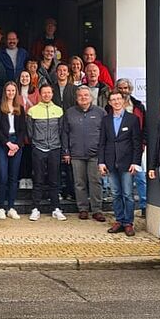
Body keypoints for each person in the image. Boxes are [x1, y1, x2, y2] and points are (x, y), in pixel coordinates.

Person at [99, 90, 143, 237]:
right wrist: (101, 162)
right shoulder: (105, 120)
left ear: (123, 101)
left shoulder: (132, 119)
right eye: (113, 100)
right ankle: (119, 220)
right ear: (110, 103)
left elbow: (137, 143)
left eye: (119, 99)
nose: (116, 102)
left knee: (128, 195)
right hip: (111, 162)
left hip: (127, 163)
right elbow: (102, 143)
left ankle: (128, 223)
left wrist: (135, 162)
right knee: (116, 194)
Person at [61, 85, 107, 223]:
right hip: (76, 154)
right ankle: (83, 209)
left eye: (86, 95)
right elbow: (65, 133)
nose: (83, 98)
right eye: (80, 95)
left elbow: (105, 135)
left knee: (96, 182)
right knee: (79, 183)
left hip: (95, 154)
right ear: (76, 98)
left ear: (91, 97)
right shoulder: (69, 113)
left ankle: (97, 210)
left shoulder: (101, 112)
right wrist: (66, 152)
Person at [27, 84, 67, 222]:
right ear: (40, 94)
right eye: (44, 93)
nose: (46, 95)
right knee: (38, 180)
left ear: (52, 94)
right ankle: (35, 208)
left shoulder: (59, 110)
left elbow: (62, 130)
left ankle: (56, 208)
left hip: (55, 148)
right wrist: (36, 142)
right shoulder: (33, 111)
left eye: (49, 93)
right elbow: (30, 131)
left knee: (54, 180)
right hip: (39, 148)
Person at [0, 81, 27, 220]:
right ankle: (1, 207)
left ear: (16, 92)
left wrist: (16, 145)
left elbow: (23, 129)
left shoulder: (20, 108)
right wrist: (7, 144)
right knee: (2, 176)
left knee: (13, 177)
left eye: (13, 91)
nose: (10, 93)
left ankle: (11, 207)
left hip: (16, 143)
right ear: (4, 92)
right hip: (2, 143)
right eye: (8, 90)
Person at [114, 78, 148, 216]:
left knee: (140, 177)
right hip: (119, 148)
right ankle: (122, 210)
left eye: (126, 88)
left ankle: (144, 205)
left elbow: (145, 126)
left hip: (137, 146)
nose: (123, 91)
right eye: (120, 88)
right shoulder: (111, 107)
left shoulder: (138, 106)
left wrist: (143, 142)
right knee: (121, 181)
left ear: (130, 89)